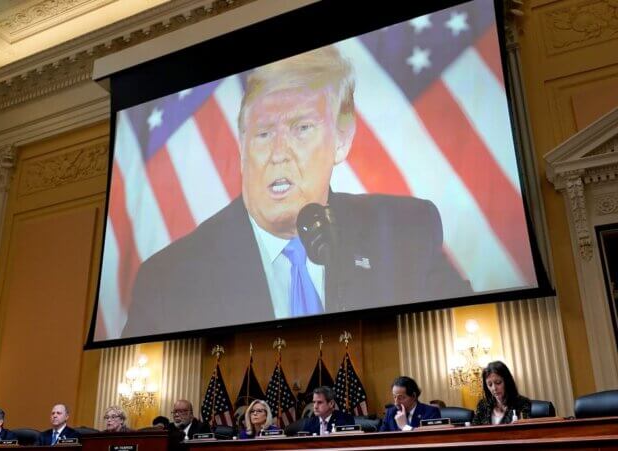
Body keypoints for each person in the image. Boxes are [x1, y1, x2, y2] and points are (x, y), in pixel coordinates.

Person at [123, 44, 471, 338]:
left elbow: (455, 328)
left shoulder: (405, 231)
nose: (278, 153)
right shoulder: (168, 280)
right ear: (242, 146)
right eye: (262, 134)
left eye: (301, 127)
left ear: (342, 138)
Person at [473, 361, 531, 425]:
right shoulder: (482, 405)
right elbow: (474, 430)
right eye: (490, 385)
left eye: (498, 382)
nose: (494, 388)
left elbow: (525, 430)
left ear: (507, 382)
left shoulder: (522, 403)